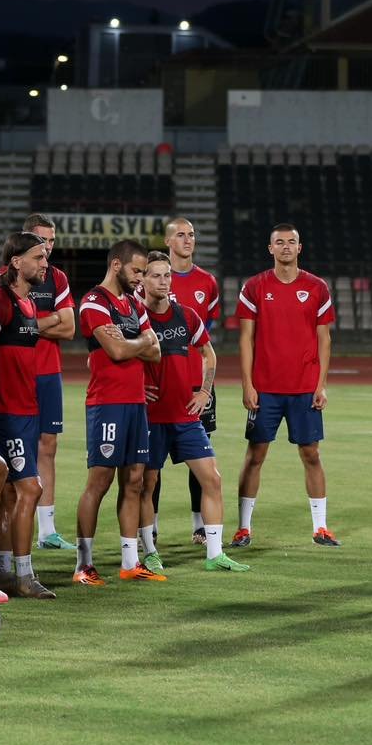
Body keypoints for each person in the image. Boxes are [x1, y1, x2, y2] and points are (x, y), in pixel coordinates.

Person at [138, 252, 248, 572]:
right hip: (150, 417)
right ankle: (149, 552)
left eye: (167, 276)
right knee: (147, 484)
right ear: (142, 280)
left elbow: (208, 355)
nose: (163, 281)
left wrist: (203, 391)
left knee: (211, 478)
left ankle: (215, 555)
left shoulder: (186, 316)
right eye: (155, 276)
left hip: (185, 415)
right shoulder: (134, 317)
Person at [234, 223, 337, 548]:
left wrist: (321, 384)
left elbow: (324, 339)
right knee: (255, 455)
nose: (286, 247)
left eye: (291, 242)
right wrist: (248, 384)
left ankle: (320, 528)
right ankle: (243, 528)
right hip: (265, 388)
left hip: (304, 388)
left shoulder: (317, 287)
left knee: (311, 454)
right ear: (271, 248)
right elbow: (246, 338)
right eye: (279, 242)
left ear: (299, 247)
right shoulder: (254, 287)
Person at [73, 239, 162, 585]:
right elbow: (116, 350)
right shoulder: (94, 301)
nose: (141, 278)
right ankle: (83, 564)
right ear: (116, 266)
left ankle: (130, 562)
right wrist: (137, 343)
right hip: (106, 402)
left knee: (136, 480)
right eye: (136, 271)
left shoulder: (132, 305)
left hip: (135, 402)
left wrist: (132, 344)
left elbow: (155, 353)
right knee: (100, 480)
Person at [0, 231, 52, 599]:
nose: (45, 263)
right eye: (38, 257)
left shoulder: (27, 303)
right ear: (17, 262)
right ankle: (24, 574)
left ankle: (2, 569)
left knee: (8, 491)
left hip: (25, 408)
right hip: (5, 411)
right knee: (29, 488)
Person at [163, 217, 221, 544]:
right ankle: (150, 529)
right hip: (163, 383)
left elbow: (204, 335)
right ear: (169, 241)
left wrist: (205, 388)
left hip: (197, 385)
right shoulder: (154, 279)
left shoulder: (207, 282)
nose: (188, 240)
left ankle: (200, 524)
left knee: (200, 457)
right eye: (181, 235)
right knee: (150, 461)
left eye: (192, 235)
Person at [22, 213, 78, 551]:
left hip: (48, 374)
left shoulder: (57, 278)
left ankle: (47, 531)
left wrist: (31, 323)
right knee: (11, 450)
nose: (49, 247)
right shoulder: (5, 277)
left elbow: (70, 328)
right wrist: (51, 320)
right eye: (43, 240)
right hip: (16, 374)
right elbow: (7, 325)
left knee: (48, 447)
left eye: (52, 241)